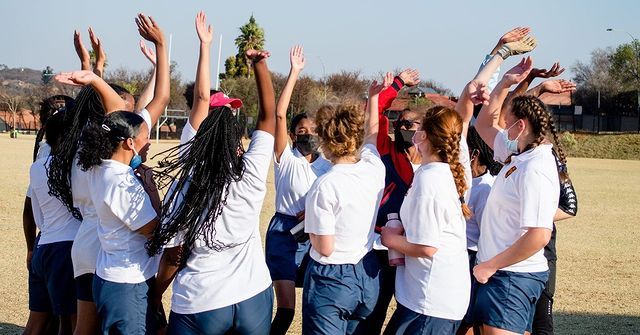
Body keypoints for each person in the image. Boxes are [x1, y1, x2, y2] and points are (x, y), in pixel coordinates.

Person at [148, 11, 276, 335]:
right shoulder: (251, 173)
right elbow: (269, 114)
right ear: (235, 135)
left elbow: (175, 254)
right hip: (254, 297)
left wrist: (155, 292)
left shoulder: (188, 172)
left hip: (201, 302)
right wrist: (260, 65)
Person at [50, 14, 170, 335]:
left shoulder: (88, 151)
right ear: (127, 138)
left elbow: (147, 102)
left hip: (95, 247)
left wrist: (93, 69)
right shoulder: (115, 174)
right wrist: (160, 47)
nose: (129, 108)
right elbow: (153, 230)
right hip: (111, 257)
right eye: (125, 106)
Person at [472, 57, 565, 335]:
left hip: (513, 277)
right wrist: (504, 83)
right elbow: (484, 125)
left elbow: (539, 235)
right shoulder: (519, 155)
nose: (504, 126)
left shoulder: (536, 168)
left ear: (521, 126)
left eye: (509, 122)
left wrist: (491, 265)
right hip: (501, 275)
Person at [301, 74, 390, 335]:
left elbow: (325, 248)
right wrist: (374, 98)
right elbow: (373, 134)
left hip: (331, 279)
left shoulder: (325, 185)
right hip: (368, 272)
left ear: (325, 142)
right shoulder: (375, 168)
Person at [381, 105, 472, 335]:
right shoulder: (436, 172)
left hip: (430, 301)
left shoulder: (431, 179)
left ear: (423, 135)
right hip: (429, 298)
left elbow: (427, 246)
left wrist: (390, 239)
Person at [75, 111, 160, 334]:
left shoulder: (99, 168)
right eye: (145, 136)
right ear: (129, 142)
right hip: (127, 284)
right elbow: (152, 229)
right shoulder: (122, 181)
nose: (149, 142)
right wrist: (150, 187)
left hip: (111, 275)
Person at [267, 45, 332, 335]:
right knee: (285, 312)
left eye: (313, 131)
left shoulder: (329, 165)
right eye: (302, 131)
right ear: (293, 135)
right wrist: (294, 72)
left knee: (314, 307)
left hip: (315, 232)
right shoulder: (286, 158)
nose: (308, 135)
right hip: (283, 232)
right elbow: (279, 115)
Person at [360, 68, 421, 335]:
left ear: (424, 131)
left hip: (417, 246)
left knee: (411, 311)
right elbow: (372, 113)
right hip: (382, 245)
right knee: (375, 309)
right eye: (400, 123)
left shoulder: (435, 163)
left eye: (410, 125)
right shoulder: (386, 149)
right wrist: (397, 85)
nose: (403, 129)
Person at [23, 110, 81, 335]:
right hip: (66, 250)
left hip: (43, 246)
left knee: (37, 323)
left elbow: (34, 211)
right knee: (71, 325)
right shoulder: (77, 168)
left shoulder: (37, 168)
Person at [457, 126, 501, 335]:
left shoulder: (484, 189)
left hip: (470, 260)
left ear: (473, 154)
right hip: (461, 257)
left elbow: (488, 233)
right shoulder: (469, 183)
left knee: (464, 320)